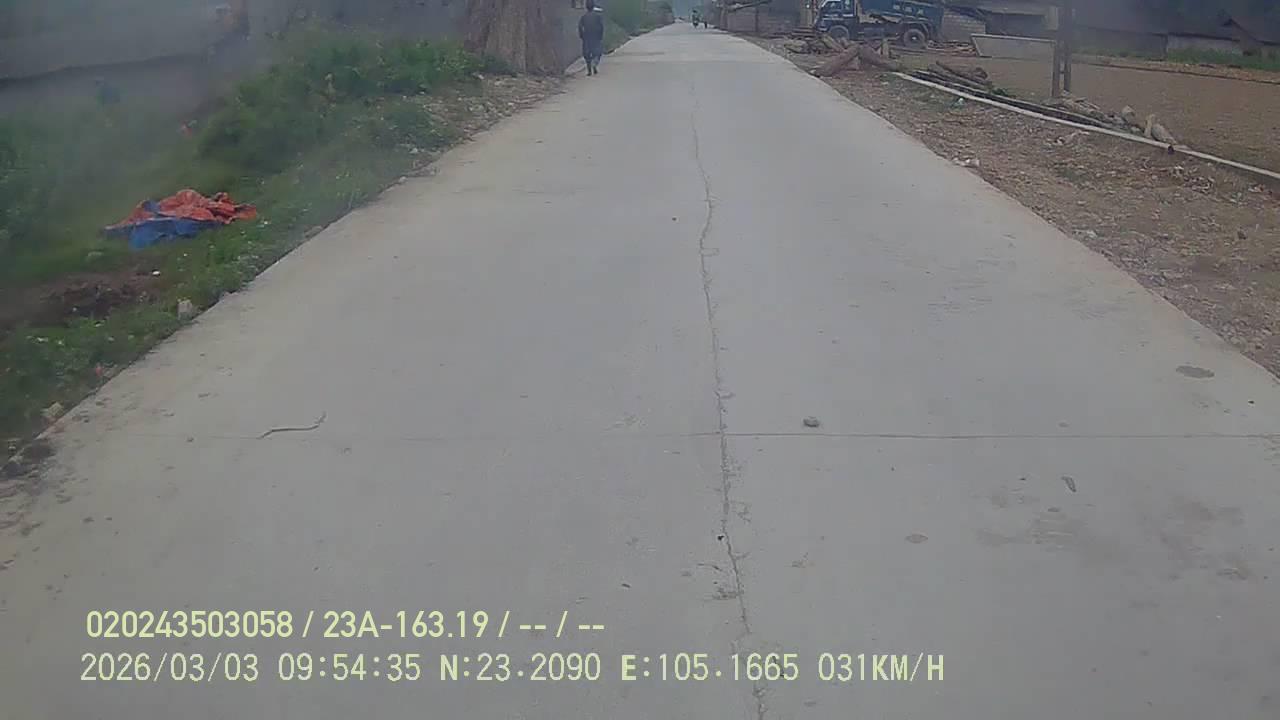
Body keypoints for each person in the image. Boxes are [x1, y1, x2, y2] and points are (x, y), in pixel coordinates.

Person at [579, 0, 605, 76]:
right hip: (596, 37)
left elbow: (580, 27)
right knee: (597, 52)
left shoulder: (583, 17)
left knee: (587, 54)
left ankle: (589, 70)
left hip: (586, 37)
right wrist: (600, 36)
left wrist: (582, 36)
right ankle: (595, 63)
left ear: (586, 7)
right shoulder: (597, 17)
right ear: (593, 6)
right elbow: (601, 27)